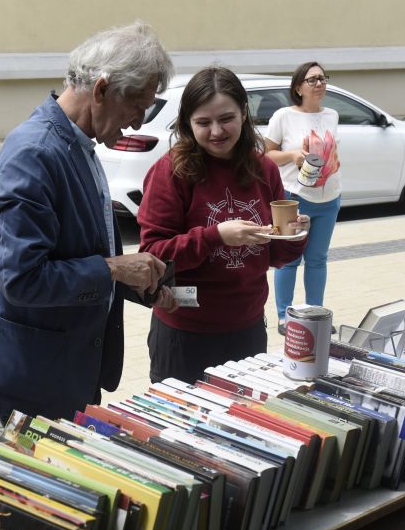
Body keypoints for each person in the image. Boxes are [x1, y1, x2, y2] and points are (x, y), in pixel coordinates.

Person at [0, 22, 177, 423]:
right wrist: (114, 269)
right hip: (36, 378)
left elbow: (82, 252)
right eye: (137, 105)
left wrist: (133, 281)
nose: (138, 122)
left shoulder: (77, 143)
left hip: (67, 367)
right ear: (101, 89)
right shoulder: (34, 153)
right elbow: (22, 280)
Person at [137, 67, 310, 383]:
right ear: (188, 123)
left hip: (247, 329)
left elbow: (275, 257)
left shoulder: (264, 169)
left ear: (244, 113)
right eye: (203, 122)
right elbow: (152, 254)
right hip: (185, 333)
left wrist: (294, 236)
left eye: (226, 118)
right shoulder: (171, 171)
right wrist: (215, 236)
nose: (216, 131)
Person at [264, 61, 341, 334]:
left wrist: (334, 163)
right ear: (298, 87)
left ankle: (314, 313)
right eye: (312, 80)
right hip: (294, 196)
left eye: (323, 78)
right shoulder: (284, 116)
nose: (319, 83)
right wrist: (294, 156)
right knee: (289, 259)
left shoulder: (332, 114)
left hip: (329, 197)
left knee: (318, 258)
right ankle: (285, 317)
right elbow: (266, 154)